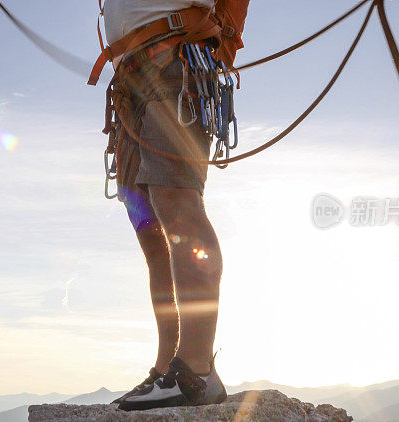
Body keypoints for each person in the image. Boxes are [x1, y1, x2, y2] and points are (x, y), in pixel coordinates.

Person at [97, 0, 246, 411]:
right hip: (135, 72)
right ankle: (169, 368)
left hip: (174, 59)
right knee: (151, 232)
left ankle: (195, 371)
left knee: (177, 206)